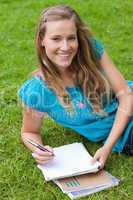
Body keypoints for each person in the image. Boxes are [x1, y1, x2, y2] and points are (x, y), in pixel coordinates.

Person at [18, 5, 133, 169]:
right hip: (127, 133)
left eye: (71, 38)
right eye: (56, 39)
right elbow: (29, 132)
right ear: (41, 40)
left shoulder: (90, 50)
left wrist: (107, 147)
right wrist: (39, 150)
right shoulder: (37, 90)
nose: (65, 47)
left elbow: (125, 94)